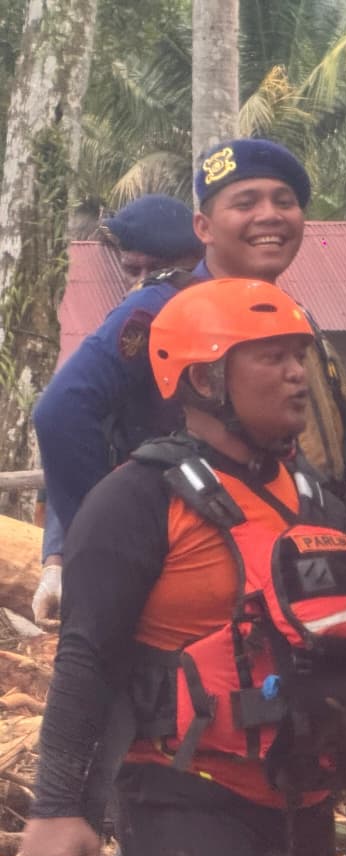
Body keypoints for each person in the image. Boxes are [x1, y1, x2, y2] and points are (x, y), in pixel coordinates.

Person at [20, 278, 346, 856]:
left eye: (298, 356)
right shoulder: (135, 499)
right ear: (203, 376)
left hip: (304, 803)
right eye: (271, 357)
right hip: (185, 804)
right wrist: (55, 806)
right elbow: (85, 658)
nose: (296, 374)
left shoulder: (317, 497)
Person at [32, 139, 346, 554]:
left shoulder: (293, 316)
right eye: (246, 203)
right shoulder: (162, 306)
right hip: (192, 556)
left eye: (284, 201)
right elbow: (62, 410)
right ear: (204, 228)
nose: (269, 215)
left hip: (290, 552)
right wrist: (101, 545)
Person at [32, 194, 205, 625]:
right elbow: (70, 422)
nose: (148, 282)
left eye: (164, 270)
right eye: (135, 270)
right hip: (141, 542)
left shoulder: (179, 313)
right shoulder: (137, 315)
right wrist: (63, 554)